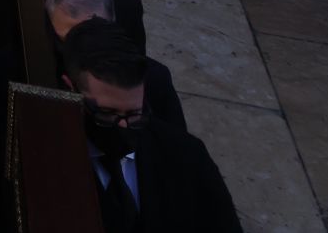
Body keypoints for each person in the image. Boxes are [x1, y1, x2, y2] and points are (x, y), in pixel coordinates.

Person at [62, 17, 242, 231]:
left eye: (134, 114)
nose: (123, 126)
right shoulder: (50, 161)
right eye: (107, 113)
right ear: (71, 90)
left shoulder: (187, 156)